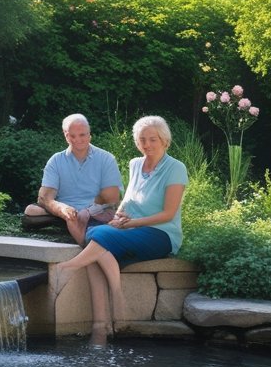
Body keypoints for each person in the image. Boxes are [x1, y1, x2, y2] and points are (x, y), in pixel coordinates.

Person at [52, 115, 187, 345]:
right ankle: (102, 325)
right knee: (97, 245)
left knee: (99, 234)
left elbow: (168, 214)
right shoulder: (135, 164)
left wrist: (128, 224)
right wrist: (118, 216)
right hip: (130, 230)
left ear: (164, 140)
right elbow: (128, 200)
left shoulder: (175, 168)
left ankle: (69, 268)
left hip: (161, 234)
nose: (147, 145)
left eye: (153, 139)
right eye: (142, 139)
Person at [22, 113, 123, 245]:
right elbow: (44, 197)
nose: (77, 140)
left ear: (89, 134)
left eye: (82, 135)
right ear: (66, 135)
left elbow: (113, 197)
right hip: (66, 212)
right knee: (31, 211)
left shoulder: (107, 159)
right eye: (72, 135)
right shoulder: (56, 160)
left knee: (110, 217)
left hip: (95, 211)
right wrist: (62, 209)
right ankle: (73, 225)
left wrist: (88, 211)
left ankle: (83, 234)